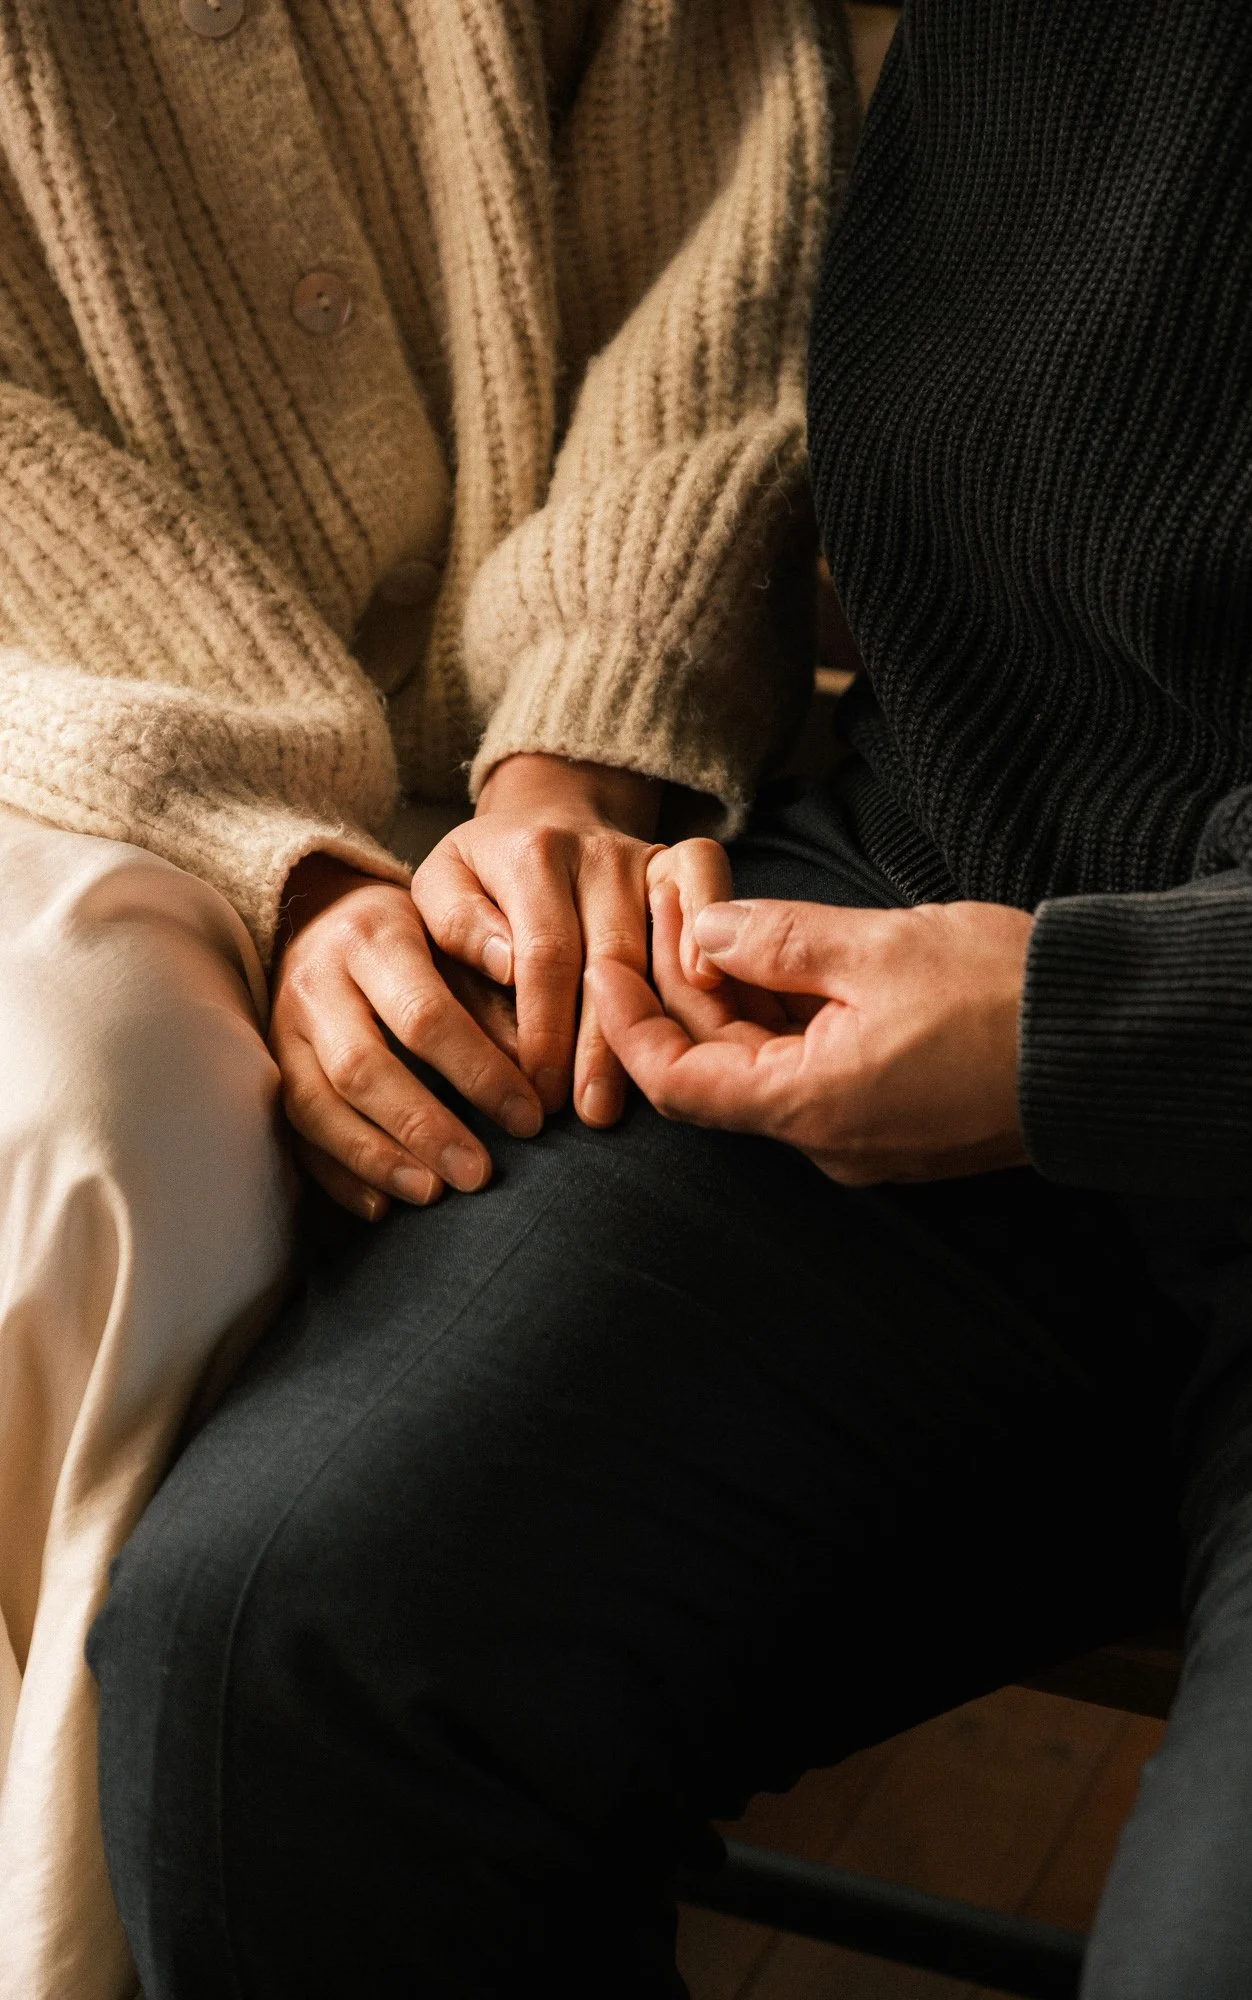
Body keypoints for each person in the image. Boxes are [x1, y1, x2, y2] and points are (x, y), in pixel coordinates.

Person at [86, 1, 1252, 1996]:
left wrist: (1126, 1017)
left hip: (1196, 1005)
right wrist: (555, 773)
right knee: (283, 1651)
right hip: (928, 896)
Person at [0, 4, 847, 1994]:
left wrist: (575, 750)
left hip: (599, 712)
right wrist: (287, 858)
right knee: (106, 1130)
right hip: (69, 711)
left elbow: (728, 250)